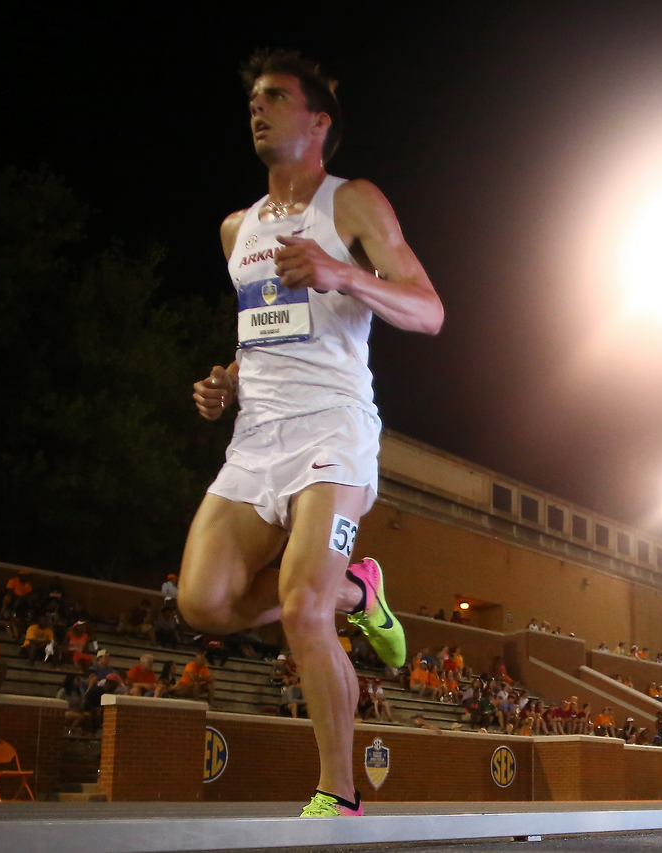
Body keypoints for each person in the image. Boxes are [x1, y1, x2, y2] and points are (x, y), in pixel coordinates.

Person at [176, 48, 442, 819]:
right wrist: (227, 378)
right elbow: (264, 329)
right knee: (204, 601)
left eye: (276, 97)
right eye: (253, 98)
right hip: (257, 438)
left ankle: (339, 793)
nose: (257, 108)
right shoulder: (238, 229)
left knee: (301, 605)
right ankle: (360, 587)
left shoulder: (351, 202)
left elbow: (428, 308)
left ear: (318, 119)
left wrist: (344, 273)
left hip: (335, 428)